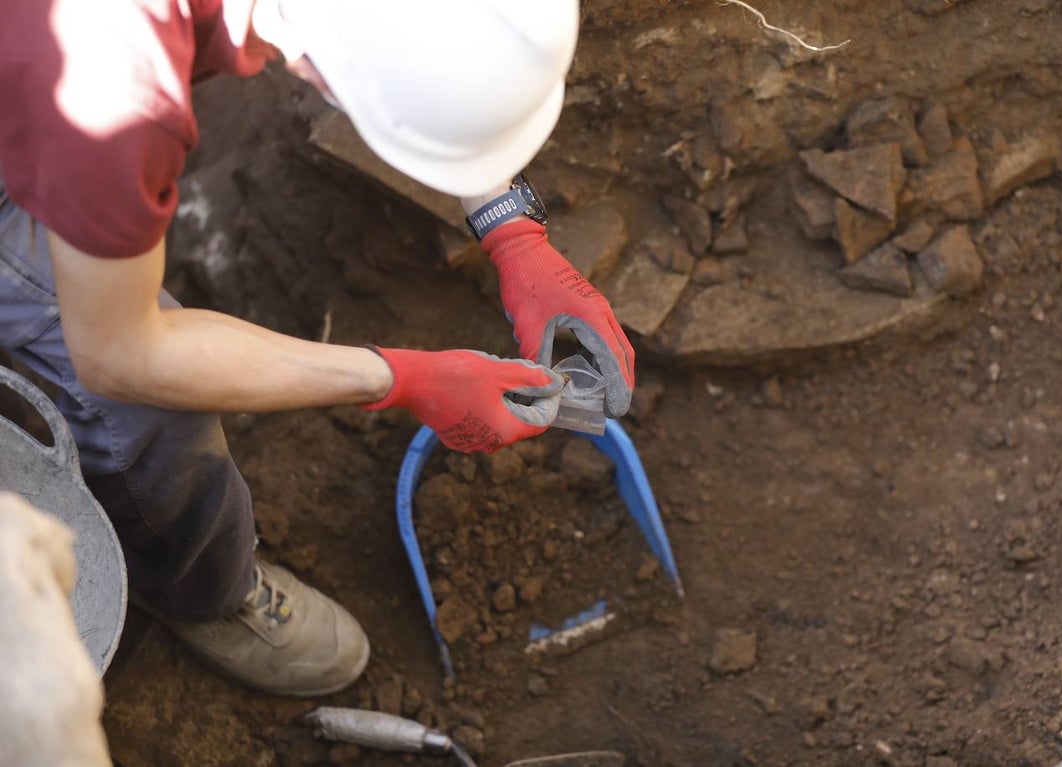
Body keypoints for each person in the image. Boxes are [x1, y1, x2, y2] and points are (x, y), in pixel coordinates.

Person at [0, 0, 635, 697]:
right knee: (152, 413)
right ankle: (202, 588)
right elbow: (120, 354)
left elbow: (420, 38)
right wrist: (401, 377)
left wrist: (509, 224)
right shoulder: (112, 86)